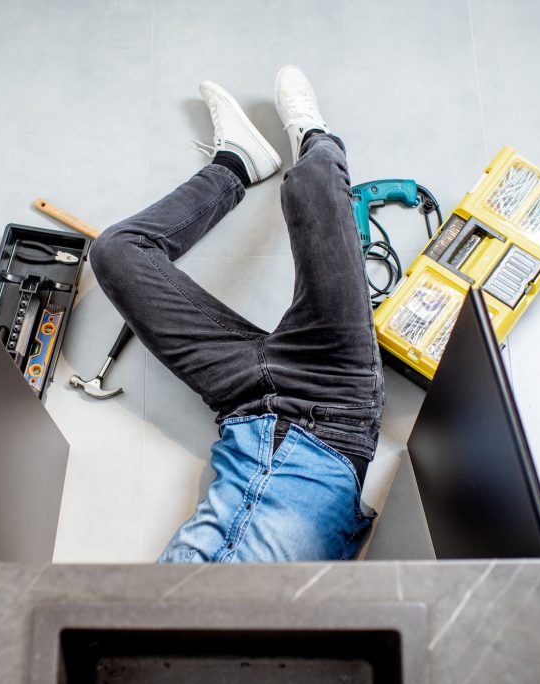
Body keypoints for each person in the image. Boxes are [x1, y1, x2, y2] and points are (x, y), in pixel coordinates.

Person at [90, 66, 384, 562]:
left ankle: (235, 164)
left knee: (116, 252)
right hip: (333, 403)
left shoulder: (154, 616)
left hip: (240, 402)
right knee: (313, 182)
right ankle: (314, 135)